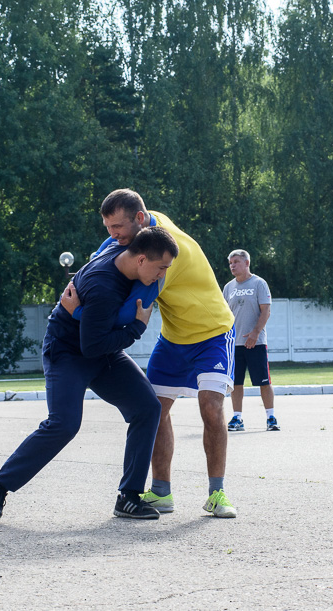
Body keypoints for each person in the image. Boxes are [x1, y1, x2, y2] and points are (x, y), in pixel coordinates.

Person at [0, 227, 177, 520]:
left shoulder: (117, 248)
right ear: (141, 260)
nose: (162, 276)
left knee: (148, 407)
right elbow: (93, 345)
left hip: (102, 350)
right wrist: (136, 327)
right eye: (161, 268)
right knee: (64, 424)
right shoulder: (103, 287)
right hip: (68, 352)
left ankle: (129, 497)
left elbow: (129, 225)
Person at [63, 189, 239, 518]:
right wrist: (87, 271)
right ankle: (161, 492)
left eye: (117, 226)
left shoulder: (162, 260)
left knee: (211, 409)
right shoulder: (151, 224)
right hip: (174, 337)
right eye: (108, 227)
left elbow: (127, 313)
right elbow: (109, 251)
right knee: (154, 410)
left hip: (213, 332)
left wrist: (77, 312)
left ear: (139, 220)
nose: (114, 234)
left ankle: (218, 493)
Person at [223, 249, 278, 432]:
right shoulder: (228, 287)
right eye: (230, 262)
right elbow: (224, 315)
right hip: (234, 343)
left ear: (247, 263)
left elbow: (266, 311)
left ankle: (271, 417)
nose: (232, 265)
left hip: (256, 342)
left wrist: (255, 333)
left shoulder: (259, 283)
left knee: (263, 381)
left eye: (236, 261)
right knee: (236, 383)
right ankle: (237, 418)